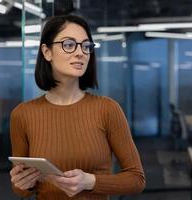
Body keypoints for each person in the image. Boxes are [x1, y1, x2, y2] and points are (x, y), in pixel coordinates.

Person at [9, 14, 146, 200]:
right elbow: (20, 190)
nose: (80, 52)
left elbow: (136, 180)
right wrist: (23, 183)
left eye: (86, 46)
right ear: (47, 52)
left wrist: (90, 182)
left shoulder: (107, 109)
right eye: (69, 45)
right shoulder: (22, 114)